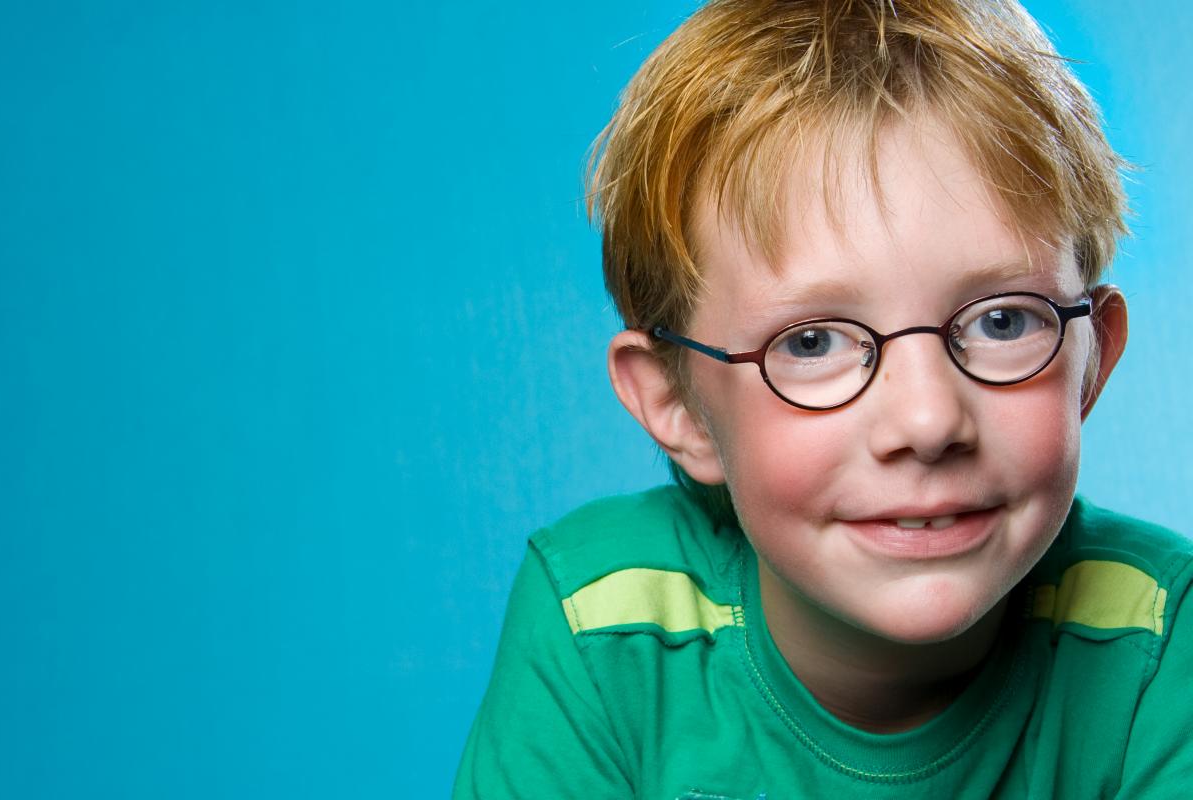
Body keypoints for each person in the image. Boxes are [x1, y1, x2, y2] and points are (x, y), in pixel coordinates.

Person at [454, 1, 1193, 796]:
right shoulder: (602, 627)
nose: (927, 420)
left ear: (1093, 359)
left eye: (1002, 320)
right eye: (812, 342)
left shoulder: (1158, 640)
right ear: (675, 400)